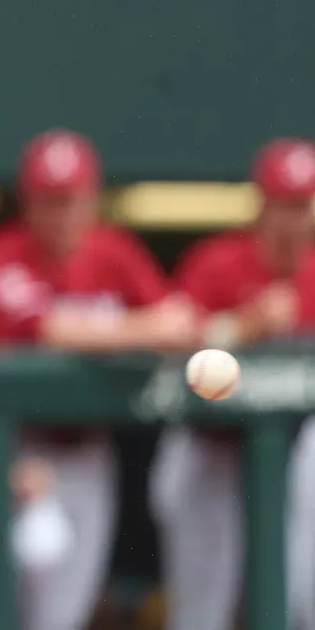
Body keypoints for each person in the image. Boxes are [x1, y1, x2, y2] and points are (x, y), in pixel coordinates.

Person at [0, 129, 198, 630]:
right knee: (33, 573)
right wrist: (143, 328)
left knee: (67, 609)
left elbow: (180, 319)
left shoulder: (114, 251)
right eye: (50, 201)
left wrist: (159, 325)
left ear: (93, 199)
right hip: (21, 449)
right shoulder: (4, 255)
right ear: (28, 203)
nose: (62, 215)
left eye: (72, 200)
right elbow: (50, 328)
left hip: (90, 451)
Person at [150, 137, 315, 630]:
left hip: (297, 451)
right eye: (285, 205)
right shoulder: (218, 261)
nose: (295, 219)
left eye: (304, 205)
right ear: (261, 204)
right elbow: (168, 344)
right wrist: (242, 328)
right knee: (200, 613)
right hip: (212, 446)